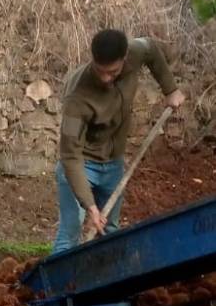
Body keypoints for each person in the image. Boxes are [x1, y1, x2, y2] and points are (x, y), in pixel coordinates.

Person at [53, 29, 185, 253]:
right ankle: (56, 286)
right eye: (100, 70)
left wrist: (170, 89)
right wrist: (91, 206)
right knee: (71, 232)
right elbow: (70, 155)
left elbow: (151, 48)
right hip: (81, 165)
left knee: (110, 231)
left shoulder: (135, 52)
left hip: (113, 164)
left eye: (112, 72)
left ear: (125, 59)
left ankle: (105, 284)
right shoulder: (76, 98)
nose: (105, 78)